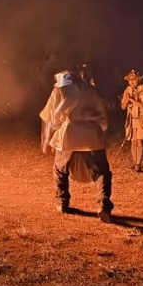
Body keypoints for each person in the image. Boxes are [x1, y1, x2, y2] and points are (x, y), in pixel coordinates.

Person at [39, 70, 114, 223]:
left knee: (60, 169)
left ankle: (62, 201)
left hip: (69, 137)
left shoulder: (59, 91)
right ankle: (104, 205)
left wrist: (46, 140)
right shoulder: (91, 91)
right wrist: (100, 131)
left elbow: (51, 118)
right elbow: (103, 120)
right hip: (92, 137)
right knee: (101, 173)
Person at [120, 69, 143, 172]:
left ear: (139, 80)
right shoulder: (127, 90)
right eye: (130, 80)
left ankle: (138, 164)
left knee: (140, 142)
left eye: (134, 80)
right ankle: (135, 163)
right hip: (132, 119)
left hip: (141, 119)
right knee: (133, 142)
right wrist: (125, 100)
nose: (132, 82)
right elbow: (123, 107)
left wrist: (132, 99)